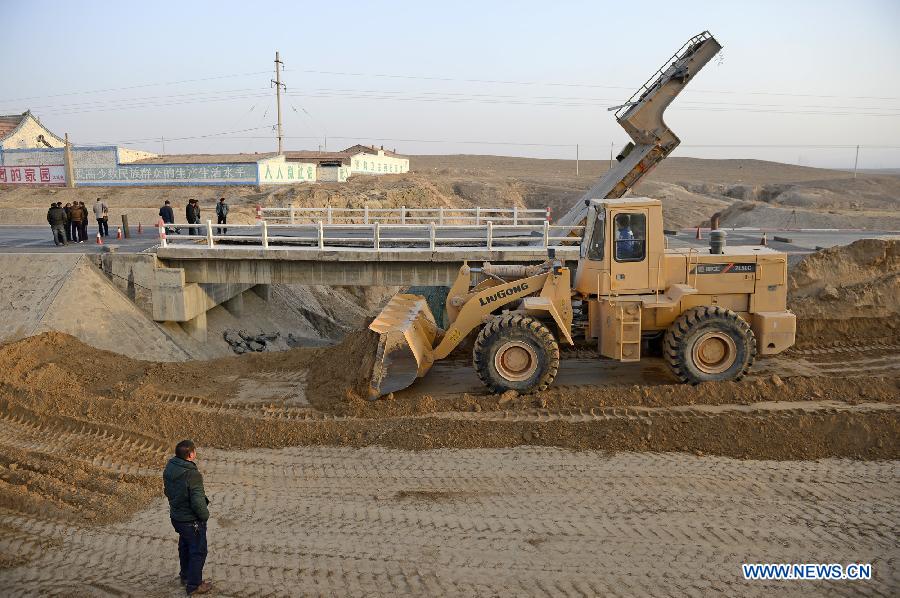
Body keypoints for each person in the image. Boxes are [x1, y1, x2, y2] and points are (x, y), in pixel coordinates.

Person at [163, 440, 212, 595]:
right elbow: (198, 502)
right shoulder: (193, 474)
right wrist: (205, 516)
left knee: (185, 546)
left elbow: (167, 491)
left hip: (177, 517)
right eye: (195, 451)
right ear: (190, 454)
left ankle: (185, 576)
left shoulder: (170, 467)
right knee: (198, 551)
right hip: (191, 521)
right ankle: (194, 585)